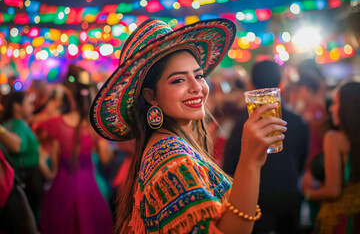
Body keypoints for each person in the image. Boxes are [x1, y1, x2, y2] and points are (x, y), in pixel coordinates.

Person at [90, 18, 287, 233]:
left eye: (199, 75)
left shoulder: (167, 148)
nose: (197, 87)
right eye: (178, 80)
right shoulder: (170, 160)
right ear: (151, 96)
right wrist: (249, 161)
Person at [223, 60, 310, 233]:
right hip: (288, 198)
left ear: (250, 85)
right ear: (281, 85)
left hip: (254, 204)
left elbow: (229, 165)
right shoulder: (298, 122)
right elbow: (301, 163)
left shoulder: (244, 124)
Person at [36, 65, 113, 234]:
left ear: (68, 97)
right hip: (89, 187)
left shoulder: (56, 123)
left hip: (61, 188)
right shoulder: (94, 127)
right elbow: (106, 158)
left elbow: (35, 133)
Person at [303, 81, 360, 233]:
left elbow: (333, 191)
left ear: (348, 108)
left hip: (342, 220)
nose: (331, 108)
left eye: (335, 103)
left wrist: (307, 194)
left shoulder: (334, 139)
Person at [0, 91, 44, 225]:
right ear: (17, 107)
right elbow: (17, 146)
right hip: (25, 179)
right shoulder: (15, 125)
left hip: (29, 178)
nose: (32, 107)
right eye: (29, 103)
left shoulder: (21, 124)